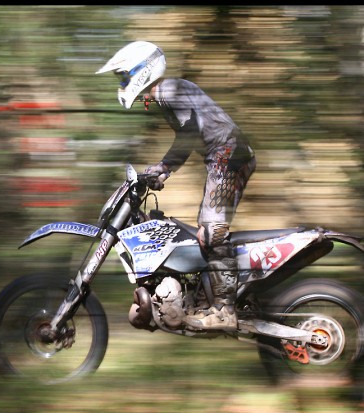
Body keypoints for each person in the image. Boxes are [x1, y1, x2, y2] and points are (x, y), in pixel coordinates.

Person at [96, 40, 256, 331]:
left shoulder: (169, 91)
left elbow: (189, 133)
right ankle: (202, 300)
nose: (122, 83)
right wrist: (161, 169)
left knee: (211, 231)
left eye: (124, 76)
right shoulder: (165, 95)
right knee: (203, 231)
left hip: (229, 154)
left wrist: (164, 168)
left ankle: (225, 311)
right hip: (224, 155)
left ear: (141, 70)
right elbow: (187, 137)